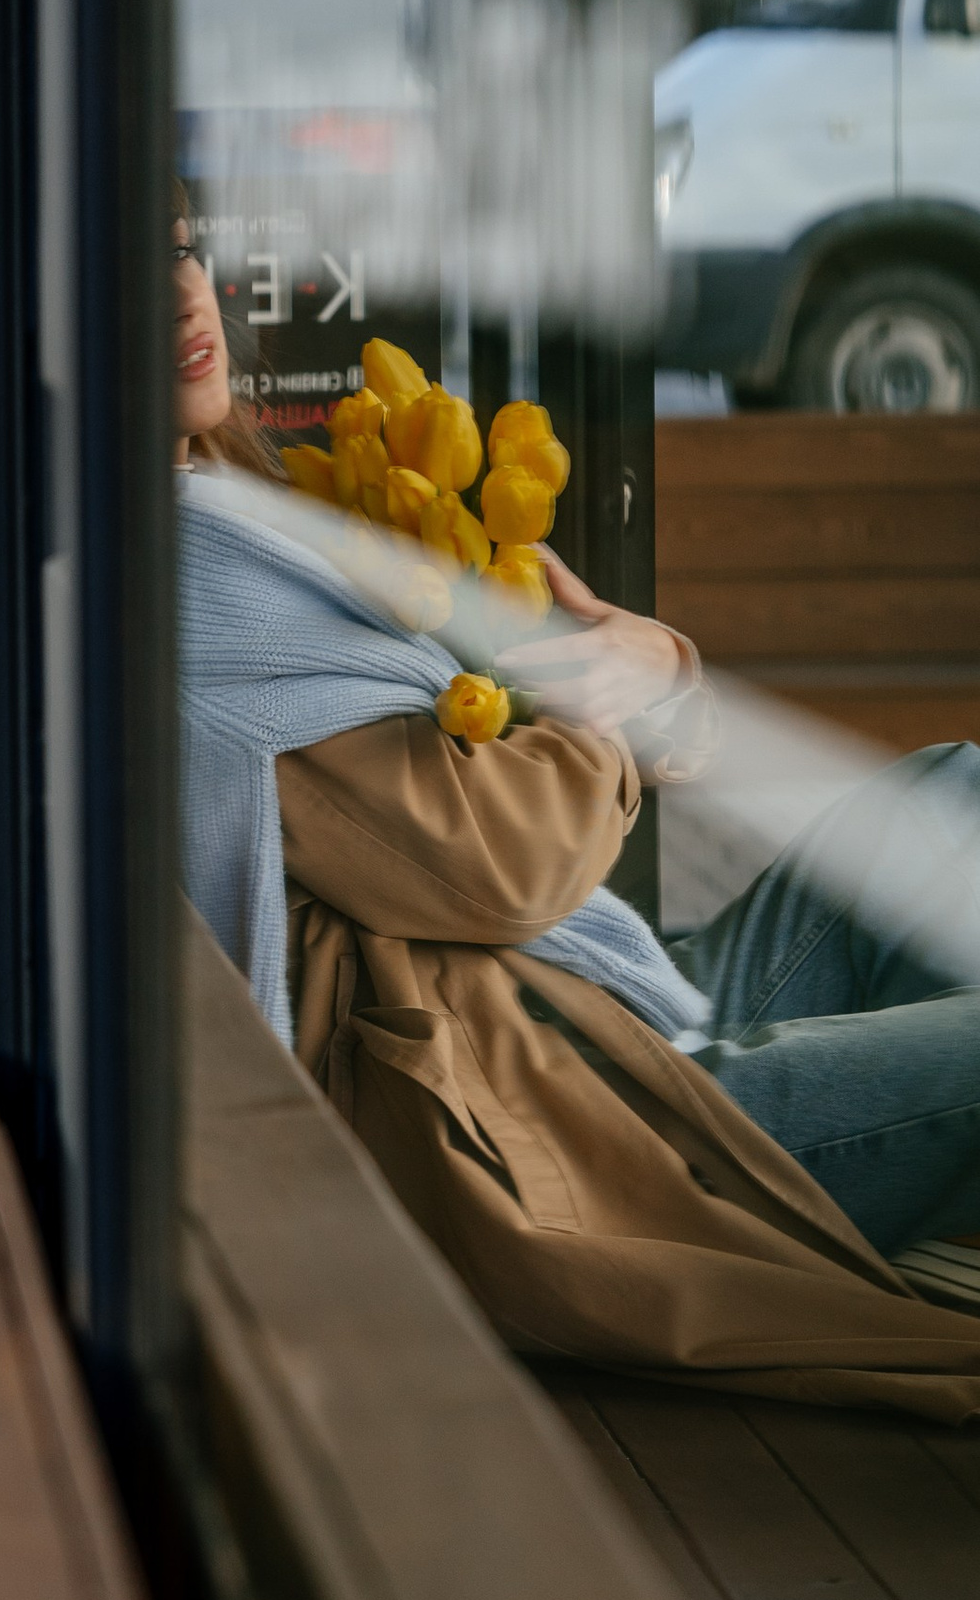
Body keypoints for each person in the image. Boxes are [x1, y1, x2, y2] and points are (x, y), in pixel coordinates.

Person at [174, 211, 980, 1419]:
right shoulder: (175, 577)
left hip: (603, 1002)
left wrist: (649, 677)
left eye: (176, 244)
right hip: (570, 1120)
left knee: (950, 785)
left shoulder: (242, 500)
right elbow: (504, 863)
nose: (176, 293)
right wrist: (618, 717)